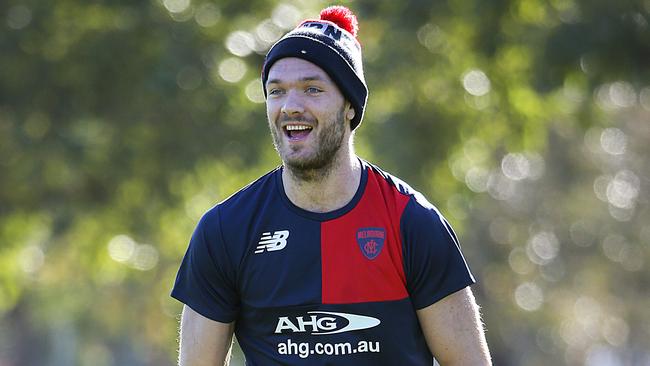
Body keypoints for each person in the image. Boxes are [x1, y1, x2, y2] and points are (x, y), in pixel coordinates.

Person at [171, 5, 492, 365]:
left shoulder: (412, 222)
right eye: (276, 91)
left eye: (312, 89)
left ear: (349, 106)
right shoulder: (225, 230)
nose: (291, 106)